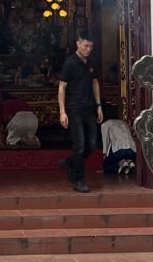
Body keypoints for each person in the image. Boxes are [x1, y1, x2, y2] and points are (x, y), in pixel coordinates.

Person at [58, 30, 103, 194]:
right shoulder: (70, 63)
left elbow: (95, 83)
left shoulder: (91, 62)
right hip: (74, 108)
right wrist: (62, 112)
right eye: (86, 46)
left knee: (92, 144)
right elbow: (62, 88)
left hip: (89, 107)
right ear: (78, 44)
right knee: (79, 145)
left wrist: (99, 105)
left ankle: (70, 163)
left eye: (91, 46)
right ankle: (78, 179)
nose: (88, 49)